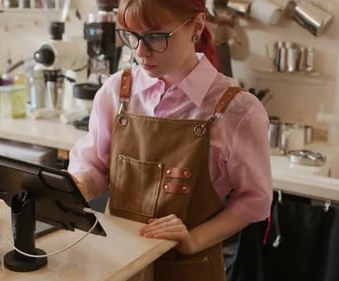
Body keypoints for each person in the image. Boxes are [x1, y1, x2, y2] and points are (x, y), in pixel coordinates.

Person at [68, 0, 273, 280]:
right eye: (131, 35)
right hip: (117, 262)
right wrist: (80, 186)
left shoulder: (236, 110)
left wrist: (194, 239)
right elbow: (96, 166)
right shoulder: (117, 91)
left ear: (197, 27)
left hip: (188, 267)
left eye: (155, 36)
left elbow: (255, 200)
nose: (140, 51)